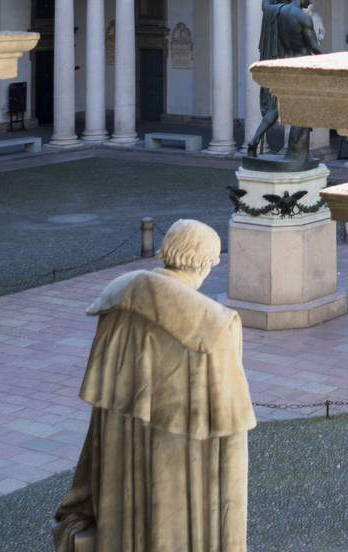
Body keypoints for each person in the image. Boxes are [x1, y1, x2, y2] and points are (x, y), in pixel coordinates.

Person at [53, 220, 254, 552]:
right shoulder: (215, 325)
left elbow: (103, 411)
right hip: (179, 467)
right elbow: (229, 441)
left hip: (121, 453)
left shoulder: (119, 298)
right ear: (204, 262)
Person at [244, 0, 327, 164]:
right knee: (303, 110)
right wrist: (335, 59)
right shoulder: (303, 18)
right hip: (301, 67)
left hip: (284, 64)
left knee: (278, 107)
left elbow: (265, 6)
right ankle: (297, 153)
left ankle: (254, 140)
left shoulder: (279, 11)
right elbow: (314, 46)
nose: (310, 1)